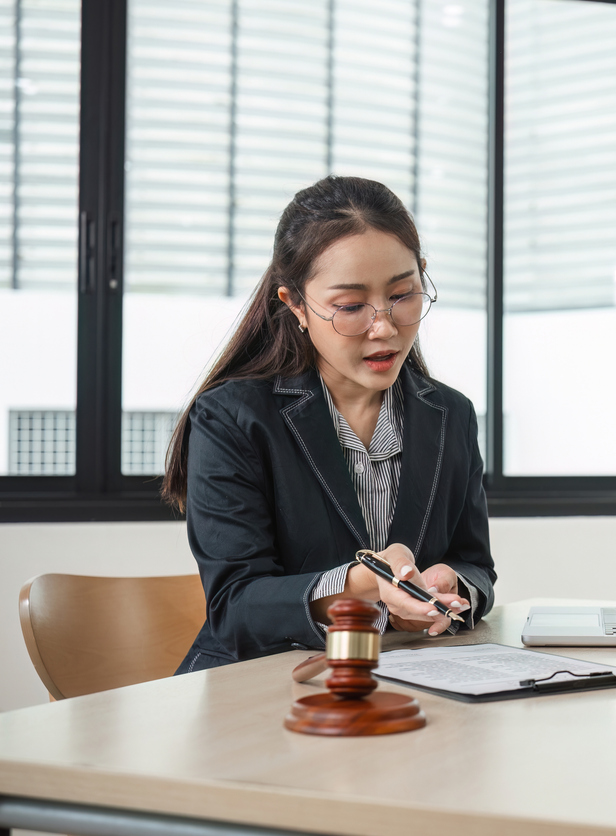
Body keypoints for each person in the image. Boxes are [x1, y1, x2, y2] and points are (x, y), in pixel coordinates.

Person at [164, 176, 495, 674]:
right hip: (260, 690)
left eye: (403, 295)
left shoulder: (451, 414)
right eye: (350, 307)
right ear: (295, 304)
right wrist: (361, 584)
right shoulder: (231, 417)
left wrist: (453, 582)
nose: (383, 327)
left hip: (406, 682)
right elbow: (235, 608)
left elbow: (476, 565)